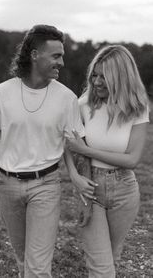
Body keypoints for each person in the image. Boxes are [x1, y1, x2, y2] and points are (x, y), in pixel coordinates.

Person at [0, 24, 94, 278]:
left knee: (37, 267)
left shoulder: (66, 98)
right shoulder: (2, 93)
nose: (62, 62)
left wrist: (83, 188)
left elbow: (79, 147)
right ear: (35, 55)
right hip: (6, 184)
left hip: (45, 185)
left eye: (63, 55)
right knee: (23, 260)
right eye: (56, 56)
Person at [65, 45, 149, 278]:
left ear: (121, 77)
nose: (97, 82)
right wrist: (75, 177)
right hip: (90, 186)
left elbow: (131, 159)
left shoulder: (138, 108)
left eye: (105, 76)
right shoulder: (83, 105)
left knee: (111, 258)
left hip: (125, 190)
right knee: (101, 268)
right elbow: (70, 148)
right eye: (95, 74)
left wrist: (87, 150)